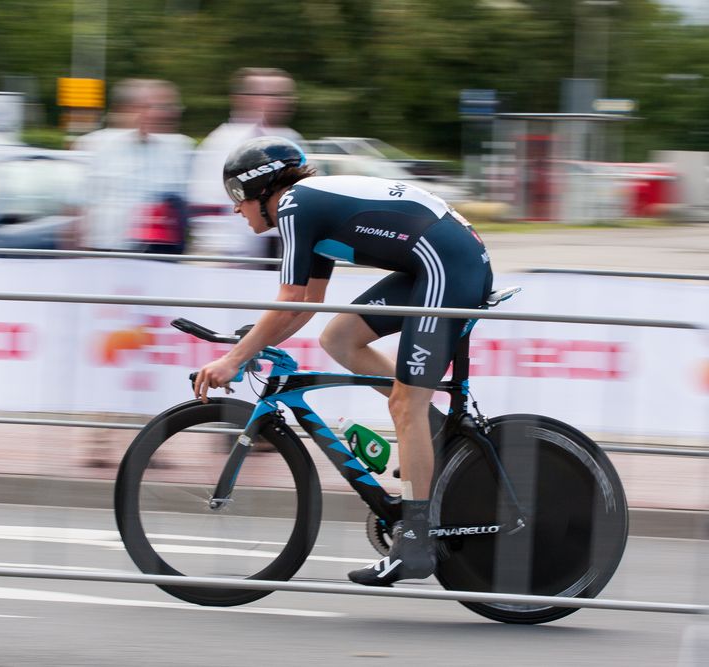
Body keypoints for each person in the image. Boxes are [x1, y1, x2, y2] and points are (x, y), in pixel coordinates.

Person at [192, 137, 494, 586]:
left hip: (446, 267)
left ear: (261, 187)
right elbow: (307, 304)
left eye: (236, 194)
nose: (235, 208)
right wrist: (252, 344)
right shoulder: (303, 208)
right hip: (439, 262)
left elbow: (291, 300)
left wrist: (235, 359)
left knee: (403, 407)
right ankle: (432, 429)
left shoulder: (293, 206)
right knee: (339, 336)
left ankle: (414, 542)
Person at [187, 68, 304, 263]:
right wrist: (223, 251)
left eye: (286, 95)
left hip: (278, 253)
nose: (282, 101)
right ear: (243, 98)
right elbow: (206, 200)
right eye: (272, 95)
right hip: (229, 254)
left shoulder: (293, 140)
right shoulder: (224, 141)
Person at [77, 78, 194, 252]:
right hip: (107, 250)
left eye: (168, 107)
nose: (162, 114)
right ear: (128, 108)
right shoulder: (95, 144)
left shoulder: (180, 147)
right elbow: (80, 205)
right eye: (151, 107)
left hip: (159, 253)